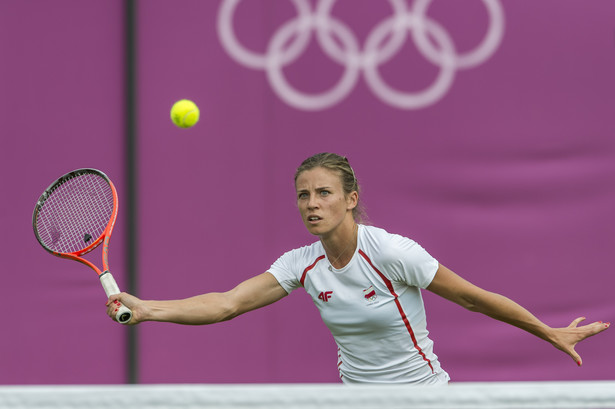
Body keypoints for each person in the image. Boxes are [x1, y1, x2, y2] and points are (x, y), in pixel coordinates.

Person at [107, 152, 609, 384]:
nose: (311, 203)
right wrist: (148, 310)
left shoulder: (392, 253)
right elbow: (227, 303)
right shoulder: (302, 265)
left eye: (323, 192)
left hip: (422, 399)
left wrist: (548, 332)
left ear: (350, 199)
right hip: (356, 403)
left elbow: (474, 297)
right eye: (303, 195)